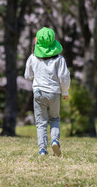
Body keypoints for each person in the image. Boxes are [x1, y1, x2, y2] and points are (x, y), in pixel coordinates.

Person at [24, 27, 70, 156]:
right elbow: (64, 77)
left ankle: (42, 149)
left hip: (38, 92)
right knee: (54, 118)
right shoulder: (59, 59)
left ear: (36, 41)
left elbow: (28, 75)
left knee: (41, 122)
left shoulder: (33, 58)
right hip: (54, 92)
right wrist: (65, 92)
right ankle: (55, 140)